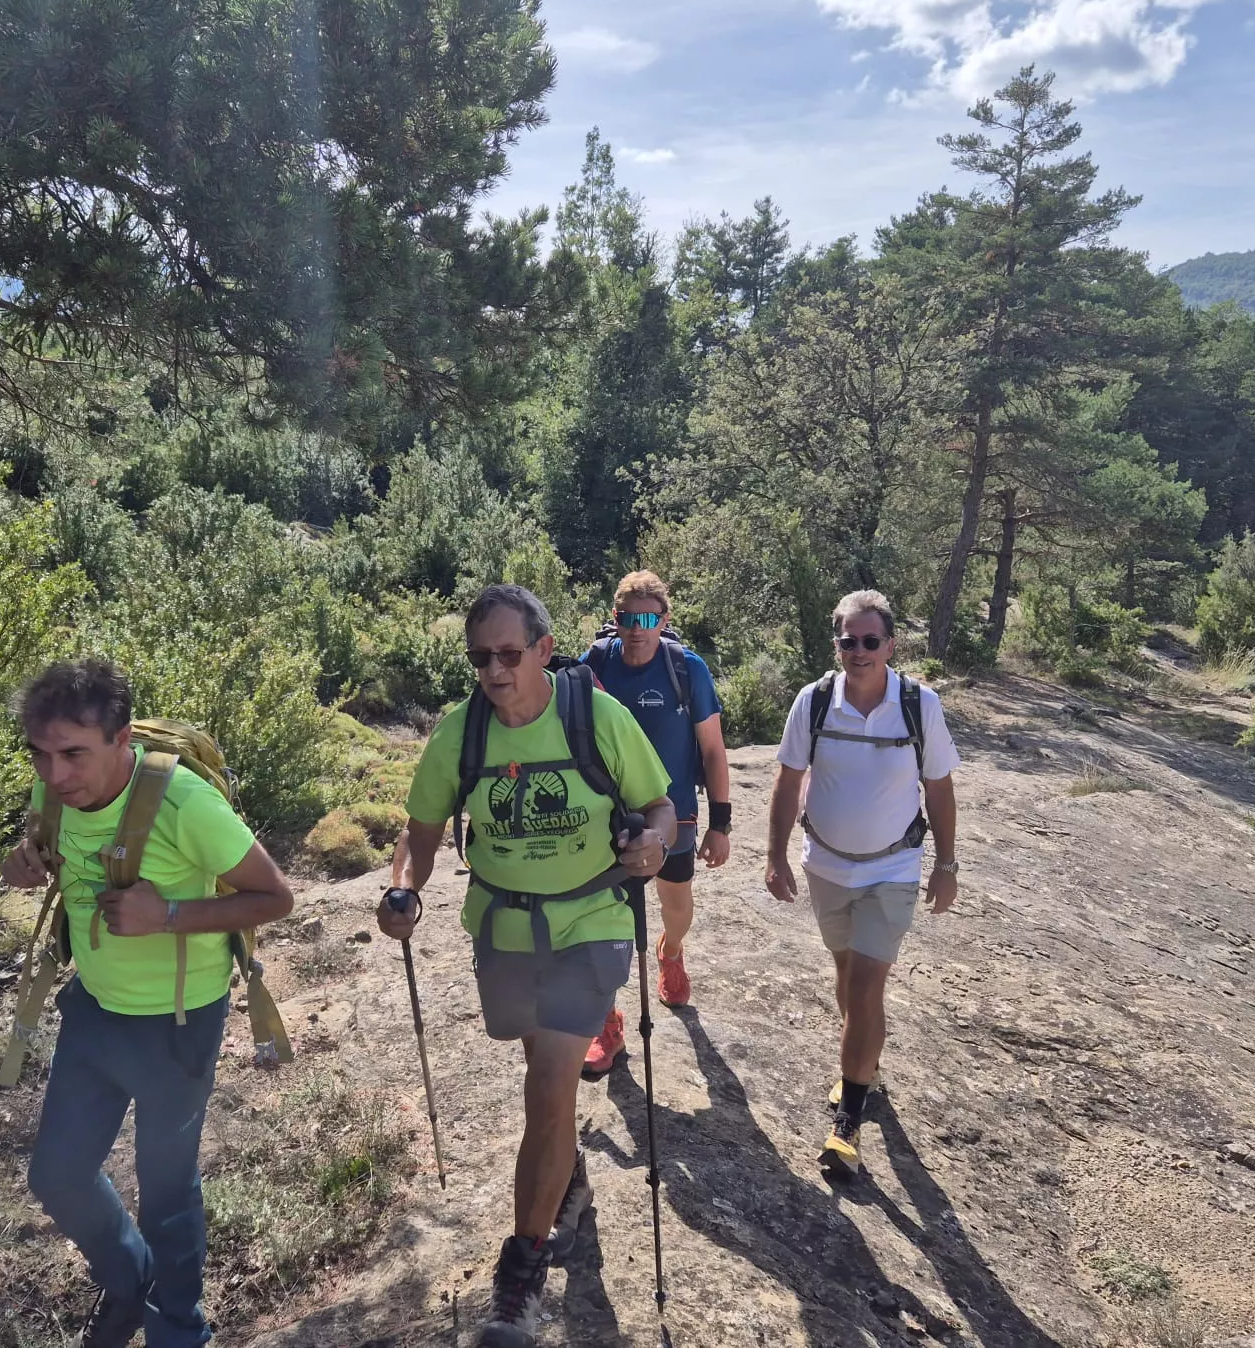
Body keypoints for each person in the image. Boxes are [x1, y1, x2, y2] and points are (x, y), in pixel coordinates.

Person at [378, 584, 675, 1348]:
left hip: (591, 919)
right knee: (537, 1070)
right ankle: (565, 1182)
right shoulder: (461, 734)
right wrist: (401, 890)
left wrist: (652, 846)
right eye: (480, 657)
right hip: (505, 927)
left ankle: (522, 1274)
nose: (493, 670)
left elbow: (660, 807)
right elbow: (421, 834)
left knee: (550, 1087)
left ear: (544, 651)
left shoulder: (596, 719)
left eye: (508, 654)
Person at [0, 659, 295, 1348]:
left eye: (74, 753)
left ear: (122, 738)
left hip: (177, 1025)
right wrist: (22, 861)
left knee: (166, 1191)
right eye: (41, 755)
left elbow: (275, 897)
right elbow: (44, 851)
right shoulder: (56, 794)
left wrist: (165, 915)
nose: (56, 773)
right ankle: (131, 1283)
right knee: (58, 1175)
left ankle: (180, 1329)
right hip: (96, 1009)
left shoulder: (184, 803)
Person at [764, 591, 960, 1180]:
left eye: (870, 641)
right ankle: (864, 1065)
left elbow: (940, 790)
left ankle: (847, 1118)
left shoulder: (918, 705)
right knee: (846, 976)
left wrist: (946, 865)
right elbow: (787, 779)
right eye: (849, 640)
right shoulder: (816, 701)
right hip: (826, 865)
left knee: (869, 984)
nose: (859, 651)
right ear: (837, 644)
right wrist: (775, 855)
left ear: (890, 645)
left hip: (892, 869)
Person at [579, 569, 730, 1078]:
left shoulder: (686, 669)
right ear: (614, 619)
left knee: (676, 906)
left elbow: (712, 748)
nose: (636, 628)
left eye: (647, 618)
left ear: (664, 620)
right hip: (606, 816)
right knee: (602, 925)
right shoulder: (595, 665)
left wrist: (721, 823)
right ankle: (608, 1023)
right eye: (626, 618)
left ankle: (672, 950)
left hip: (675, 813)